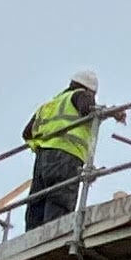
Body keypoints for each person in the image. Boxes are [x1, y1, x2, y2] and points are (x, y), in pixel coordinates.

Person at [19, 72, 102, 228]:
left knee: (37, 202)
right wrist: (108, 113)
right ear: (90, 90)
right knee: (60, 200)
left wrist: (38, 146)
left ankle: (31, 241)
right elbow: (87, 108)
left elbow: (27, 133)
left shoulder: (50, 105)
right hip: (67, 155)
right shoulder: (82, 95)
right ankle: (51, 240)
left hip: (43, 158)